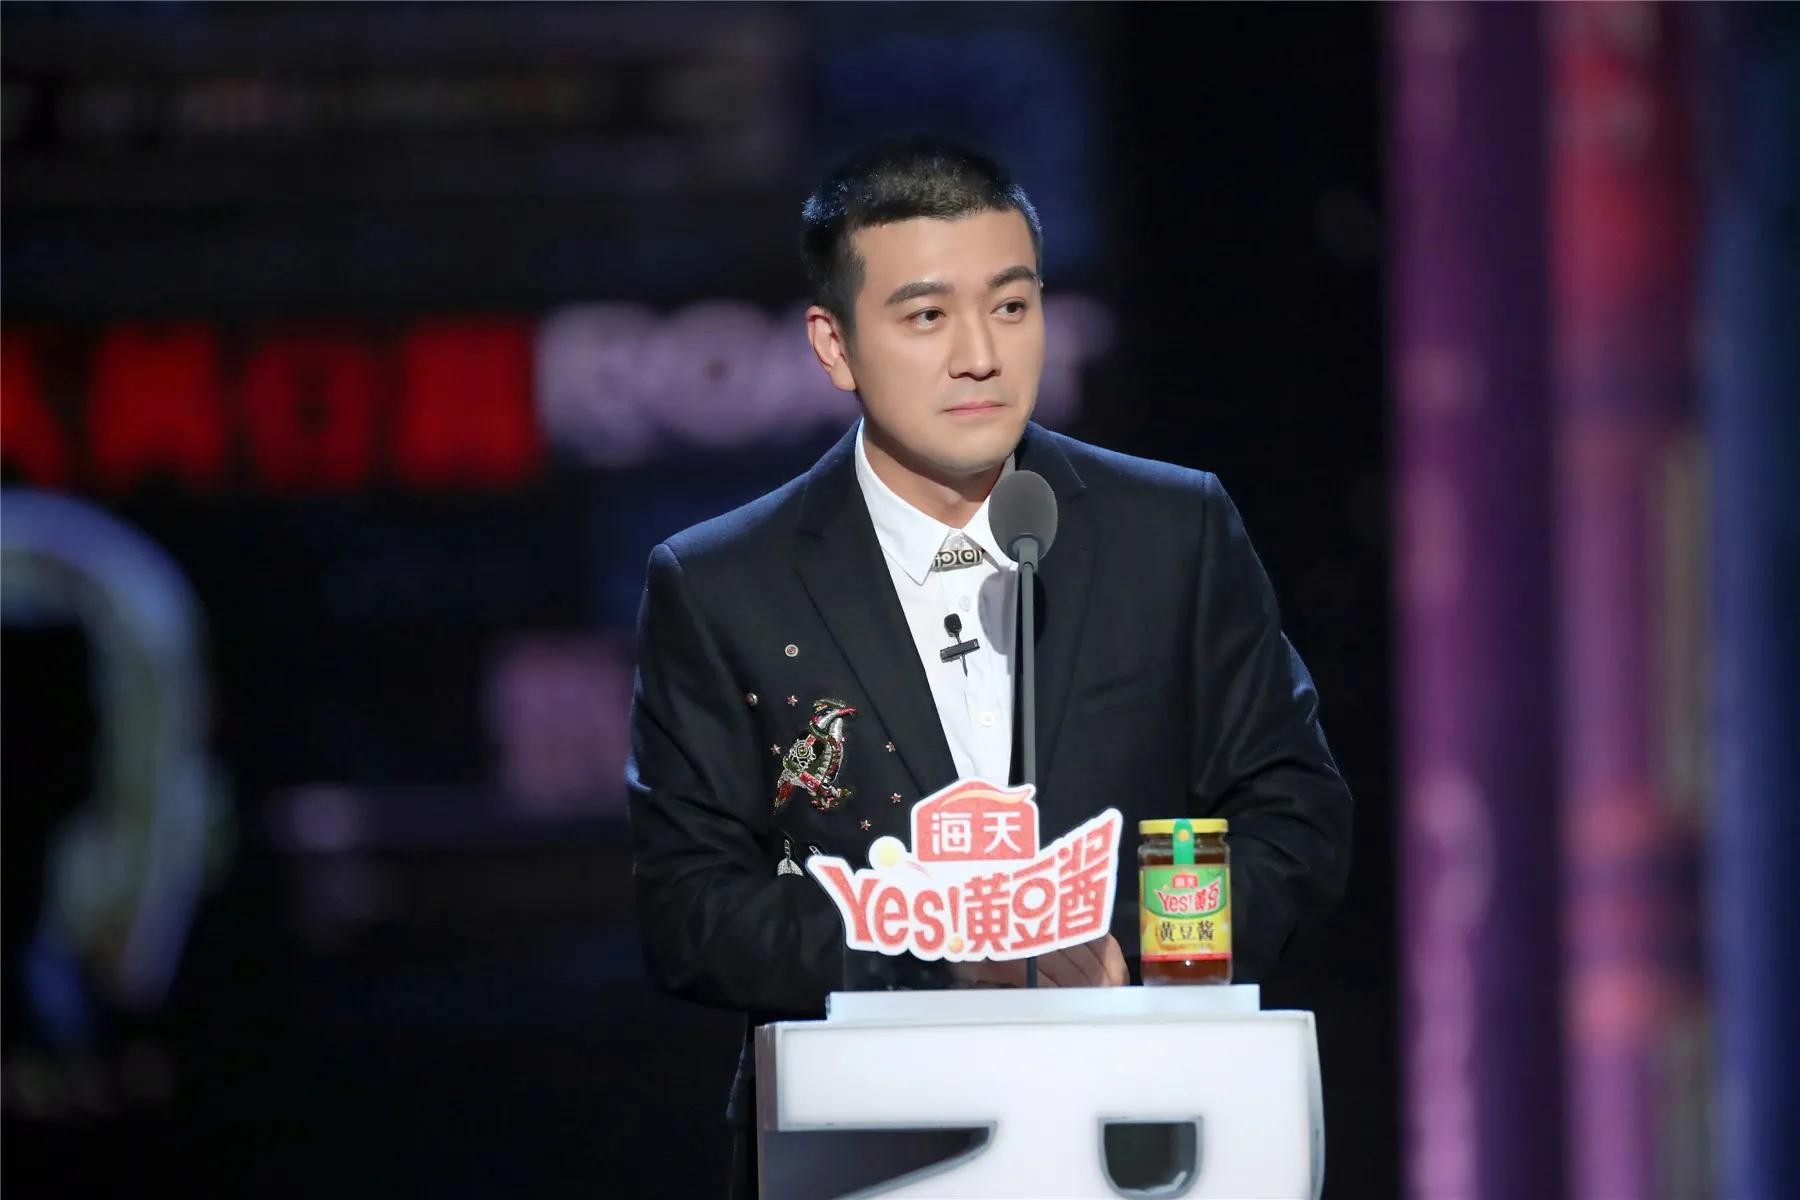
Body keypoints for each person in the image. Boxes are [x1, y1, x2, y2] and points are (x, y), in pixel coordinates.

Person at [626, 134, 1352, 1199]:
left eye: (1011, 306)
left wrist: (1125, 940)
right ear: (834, 344)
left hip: (1142, 1138)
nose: (981, 354)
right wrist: (936, 956)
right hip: (860, 1148)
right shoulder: (725, 585)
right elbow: (691, 913)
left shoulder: (1171, 534)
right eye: (927, 317)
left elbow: (1294, 820)